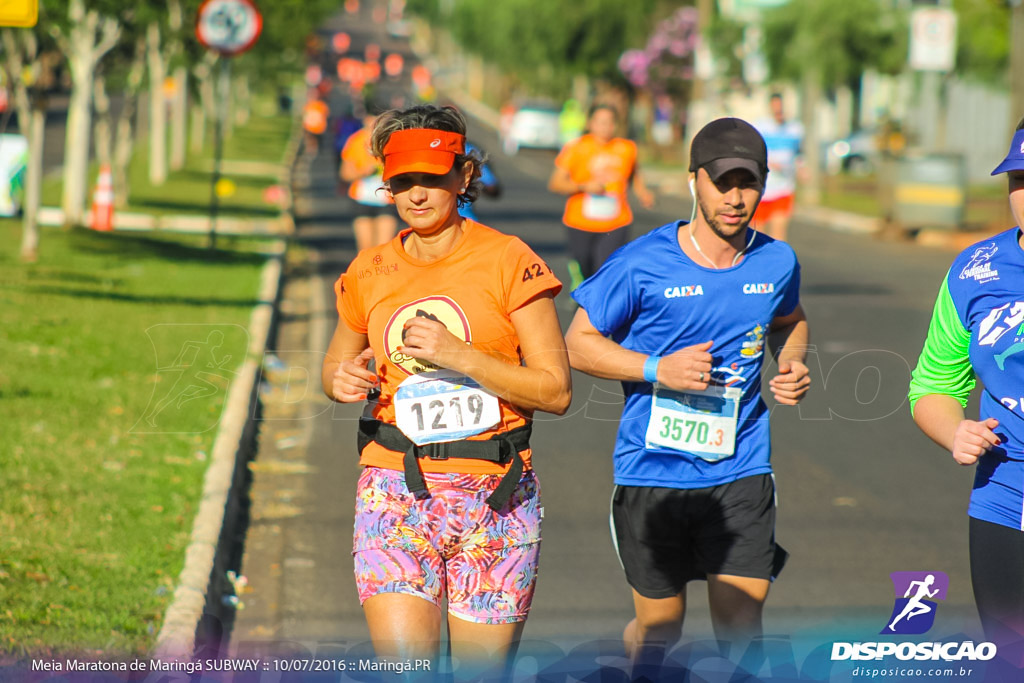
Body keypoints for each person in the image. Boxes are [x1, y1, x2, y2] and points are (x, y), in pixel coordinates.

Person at [322, 104, 571, 672]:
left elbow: (555, 391)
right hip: (396, 492)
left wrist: (460, 355)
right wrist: (341, 379)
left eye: (432, 178)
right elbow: (334, 370)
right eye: (402, 180)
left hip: (495, 497)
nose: (416, 194)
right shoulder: (370, 269)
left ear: (463, 177)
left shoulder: (509, 260)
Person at [564, 117, 811, 667]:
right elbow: (577, 343)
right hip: (652, 472)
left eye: (748, 183)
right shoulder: (641, 264)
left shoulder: (776, 262)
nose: (735, 197)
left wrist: (791, 363)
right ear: (693, 180)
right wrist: (658, 368)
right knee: (660, 629)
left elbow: (790, 319)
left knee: (742, 621)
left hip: (741, 467)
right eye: (721, 182)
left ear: (764, 184)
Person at [908, 117, 1024, 651]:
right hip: (1006, 493)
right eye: (1019, 179)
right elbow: (933, 383)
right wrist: (955, 431)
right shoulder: (976, 271)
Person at [548, 103, 655, 290]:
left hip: (616, 221)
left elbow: (634, 174)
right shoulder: (576, 148)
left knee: (605, 268)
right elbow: (556, 183)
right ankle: (581, 283)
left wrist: (643, 193)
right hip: (580, 221)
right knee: (584, 264)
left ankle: (598, 306)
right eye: (601, 122)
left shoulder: (626, 148)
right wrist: (583, 186)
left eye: (610, 122)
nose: (605, 127)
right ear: (591, 123)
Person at [340, 106, 398, 251]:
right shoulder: (356, 141)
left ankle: (381, 274)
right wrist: (364, 172)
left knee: (383, 249)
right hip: (362, 198)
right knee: (365, 250)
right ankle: (367, 274)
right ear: (366, 119)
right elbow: (345, 174)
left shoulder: (392, 140)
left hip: (386, 199)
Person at [753, 93, 803, 242]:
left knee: (778, 231)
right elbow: (753, 152)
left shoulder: (795, 128)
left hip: (784, 186)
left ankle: (778, 263)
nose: (778, 112)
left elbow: (799, 153)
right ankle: (759, 263)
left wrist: (801, 168)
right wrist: (767, 162)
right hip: (762, 187)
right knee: (757, 233)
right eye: (775, 108)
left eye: (780, 108)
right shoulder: (760, 127)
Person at [457, 141, 501, 221]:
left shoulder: (467, 149)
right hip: (464, 221)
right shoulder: (467, 149)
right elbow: (492, 187)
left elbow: (493, 188)